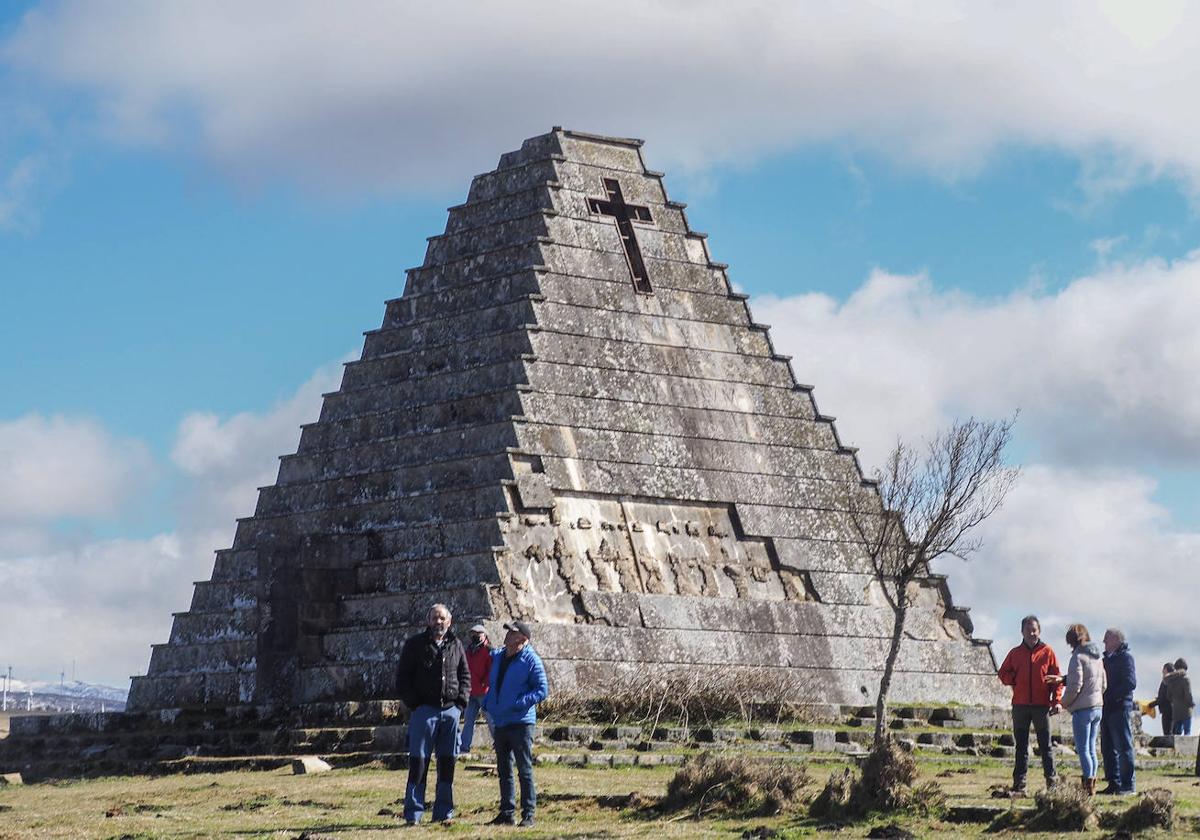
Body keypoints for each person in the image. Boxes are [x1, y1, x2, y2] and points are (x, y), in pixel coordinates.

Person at [396, 603, 471, 825]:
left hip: (450, 712)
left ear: (450, 622)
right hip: (424, 712)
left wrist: (460, 705)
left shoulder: (456, 645)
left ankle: (443, 812)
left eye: (442, 619)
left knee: (447, 764)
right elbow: (403, 679)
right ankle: (413, 813)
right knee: (418, 763)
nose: (439, 622)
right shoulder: (415, 645)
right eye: (435, 618)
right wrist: (415, 704)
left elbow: (465, 676)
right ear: (429, 621)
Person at [482, 620, 549, 828]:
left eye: (512, 633)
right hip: (501, 720)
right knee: (504, 769)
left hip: (521, 722)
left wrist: (520, 703)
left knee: (524, 769)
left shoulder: (532, 660)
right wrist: (487, 703)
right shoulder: (497, 657)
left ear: (523, 639)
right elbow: (489, 683)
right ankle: (506, 812)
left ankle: (528, 813)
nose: (507, 635)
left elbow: (541, 690)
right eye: (508, 632)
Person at [998, 615, 1062, 794]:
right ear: (1022, 632)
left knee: (1046, 746)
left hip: (1042, 706)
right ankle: (1020, 785)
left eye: (1034, 630)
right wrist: (1015, 680)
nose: (1031, 633)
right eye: (1028, 630)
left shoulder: (1048, 652)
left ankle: (1053, 785)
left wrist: (1056, 701)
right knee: (1021, 747)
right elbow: (1003, 673)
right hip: (1020, 706)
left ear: (1039, 631)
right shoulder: (1015, 653)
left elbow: (1056, 679)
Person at [1057, 623, 1106, 796]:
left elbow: (1074, 687)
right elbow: (1104, 684)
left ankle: (1088, 785)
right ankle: (1092, 782)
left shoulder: (1077, 658)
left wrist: (1062, 703)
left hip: (1083, 710)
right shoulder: (1098, 657)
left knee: (1083, 748)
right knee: (1092, 748)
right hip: (1097, 707)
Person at [1100, 627, 1137, 795]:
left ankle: (1128, 785)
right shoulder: (1106, 660)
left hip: (1120, 708)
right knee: (1107, 748)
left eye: (1107, 638)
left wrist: (1113, 696)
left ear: (1116, 639)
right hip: (1106, 708)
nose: (1104, 641)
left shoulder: (1125, 658)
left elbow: (1130, 682)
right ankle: (1113, 783)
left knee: (1123, 747)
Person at [458, 623, 494, 754]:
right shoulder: (468, 651)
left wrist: (485, 683)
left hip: (484, 692)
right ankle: (464, 746)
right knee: (468, 720)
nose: (475, 637)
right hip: (470, 691)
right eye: (473, 634)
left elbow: (491, 670)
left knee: (491, 719)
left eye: (478, 634)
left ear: (485, 636)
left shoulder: (489, 651)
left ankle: (499, 744)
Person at [1167, 658, 1194, 736]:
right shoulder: (1186, 679)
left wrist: (1175, 702)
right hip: (1186, 710)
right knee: (1187, 733)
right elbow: (1188, 695)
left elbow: (1168, 696)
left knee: (1177, 734)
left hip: (1176, 710)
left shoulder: (1170, 681)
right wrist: (1191, 704)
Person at [1151, 662, 1175, 736]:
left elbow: (1162, 698)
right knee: (1173, 732)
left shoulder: (1166, 681)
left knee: (1167, 733)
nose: (1162, 671)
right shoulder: (1175, 680)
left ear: (1166, 670)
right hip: (1174, 709)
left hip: (1166, 710)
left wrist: (1151, 704)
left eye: (1163, 669)